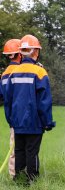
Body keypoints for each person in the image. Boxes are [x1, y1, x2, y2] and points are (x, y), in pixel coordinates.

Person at [4, 34, 55, 184]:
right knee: (32, 152)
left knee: (19, 151)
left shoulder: (13, 72)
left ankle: (18, 181)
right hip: (34, 122)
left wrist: (11, 120)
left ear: (21, 52)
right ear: (36, 52)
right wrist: (47, 122)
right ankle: (32, 181)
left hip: (17, 122)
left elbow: (8, 100)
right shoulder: (40, 72)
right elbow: (44, 102)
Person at [1, 39, 22, 177]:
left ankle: (13, 174)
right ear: (20, 54)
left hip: (11, 117)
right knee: (26, 148)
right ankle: (22, 176)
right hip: (24, 116)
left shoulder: (4, 74)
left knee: (14, 148)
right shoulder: (21, 71)